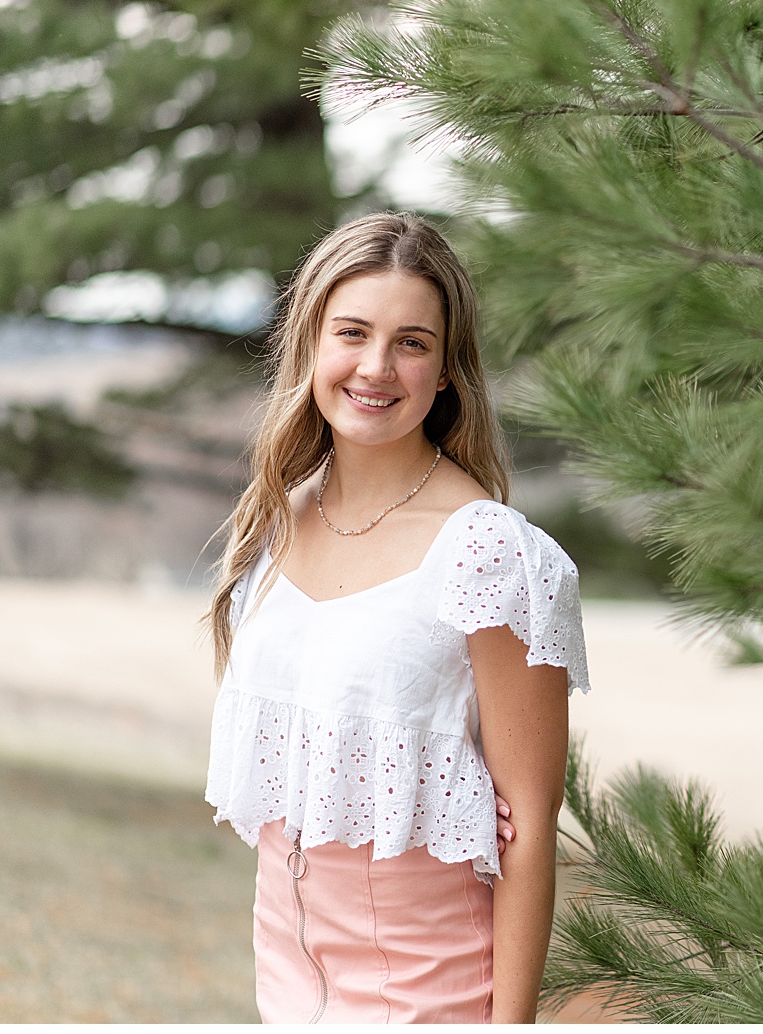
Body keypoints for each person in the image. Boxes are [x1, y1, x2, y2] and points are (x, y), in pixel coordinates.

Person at [204, 211, 587, 1023]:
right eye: (353, 332)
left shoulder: (491, 553)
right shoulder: (277, 518)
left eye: (412, 342)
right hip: (285, 991)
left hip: (427, 1000)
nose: (376, 367)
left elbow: (530, 837)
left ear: (447, 369)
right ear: (311, 341)